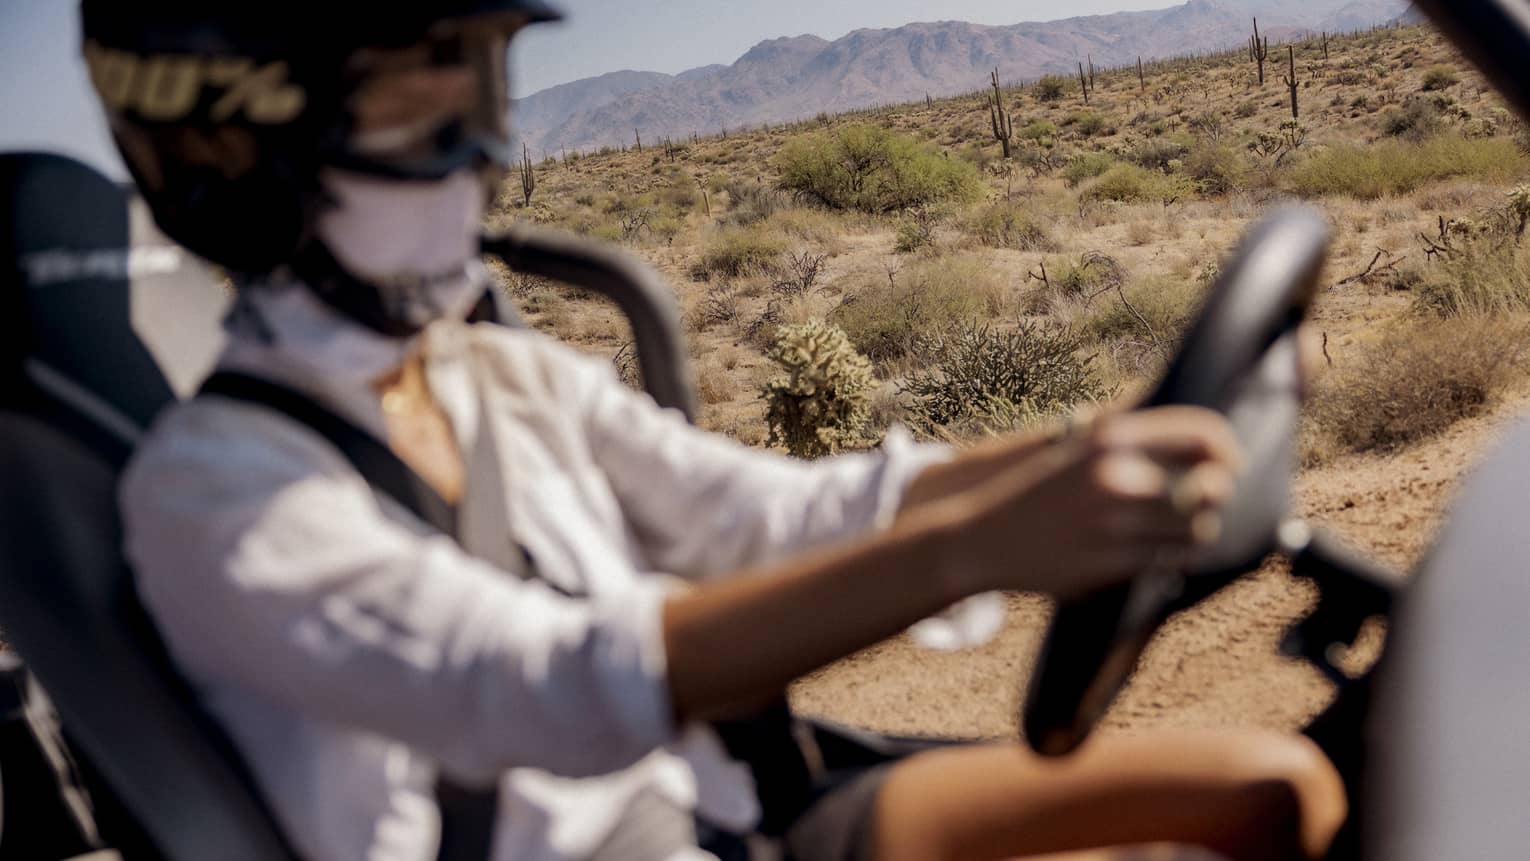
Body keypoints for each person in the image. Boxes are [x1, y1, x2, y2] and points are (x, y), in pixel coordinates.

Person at [85, 2, 1346, 859]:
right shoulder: (214, 495)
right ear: (234, 149)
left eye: (484, 98)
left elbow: (764, 516)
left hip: (729, 818)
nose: (483, 158)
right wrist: (975, 550)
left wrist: (1082, 448)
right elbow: (546, 683)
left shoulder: (495, 379)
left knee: (1279, 794)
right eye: (427, 117)